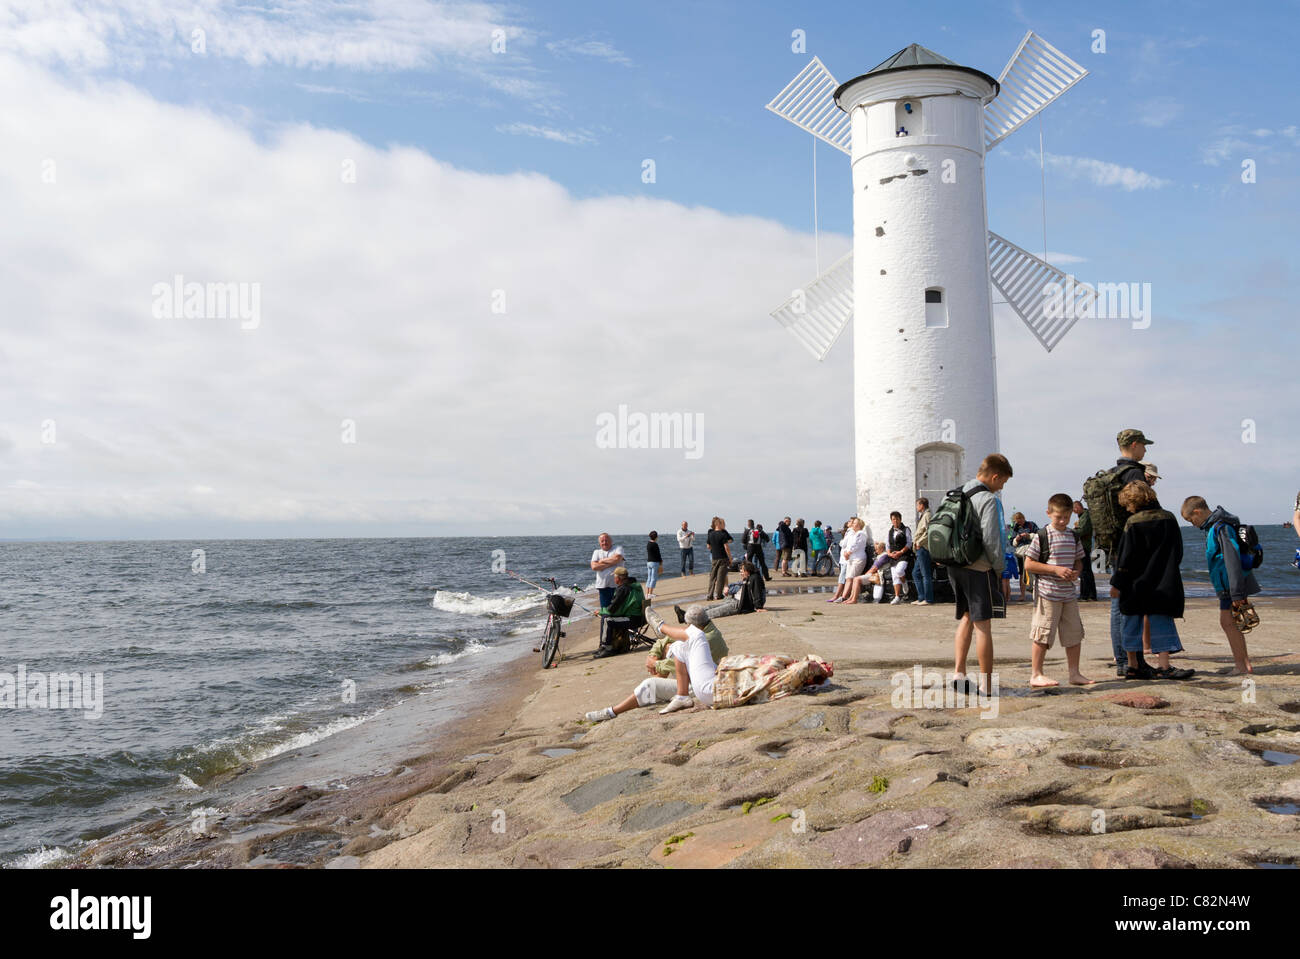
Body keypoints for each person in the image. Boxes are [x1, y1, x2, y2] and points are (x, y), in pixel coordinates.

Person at [1110, 481, 1191, 680]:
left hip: (1135, 582)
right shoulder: (1169, 518)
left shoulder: (1133, 522)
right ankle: (1164, 666)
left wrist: (1117, 582)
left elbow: (1126, 557)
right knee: (1162, 620)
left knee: (1131, 620)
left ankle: (1132, 665)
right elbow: (1178, 551)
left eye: (1127, 504)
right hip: (1164, 579)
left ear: (1132, 502)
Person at [584, 605, 720, 721]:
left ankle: (611, 712)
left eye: (687, 626)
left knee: (650, 684)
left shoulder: (707, 638)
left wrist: (655, 664)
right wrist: (653, 655)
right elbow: (663, 642)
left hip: (698, 686)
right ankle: (678, 695)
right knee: (675, 646)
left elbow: (676, 665)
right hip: (698, 681)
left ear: (693, 625)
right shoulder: (703, 631)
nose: (686, 628)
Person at [950, 454, 1013, 696]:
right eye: (1003, 482)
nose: (1002, 487)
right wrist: (1000, 571)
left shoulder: (956, 492)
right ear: (995, 476)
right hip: (979, 568)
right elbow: (992, 538)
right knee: (983, 624)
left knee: (966, 617)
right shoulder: (989, 499)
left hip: (955, 565)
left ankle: (959, 672)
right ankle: (986, 684)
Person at [1181, 496, 1258, 675]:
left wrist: (1237, 592)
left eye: (1191, 519)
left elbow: (1232, 559)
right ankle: (1244, 663)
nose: (1192, 524)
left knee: (1228, 623)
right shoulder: (1214, 527)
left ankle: (1241, 665)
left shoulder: (1221, 528)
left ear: (1197, 512)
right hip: (1228, 585)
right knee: (1231, 622)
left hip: (1230, 587)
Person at [1023, 493, 1092, 687]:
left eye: (1066, 518)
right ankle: (1036, 674)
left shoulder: (1073, 535)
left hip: (1068, 593)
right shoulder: (1042, 536)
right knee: (1042, 634)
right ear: (1049, 513)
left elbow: (1079, 561)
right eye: (1058, 517)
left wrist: (1076, 572)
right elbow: (1029, 564)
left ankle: (1074, 673)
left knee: (1074, 634)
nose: (1062, 521)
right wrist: (1055, 569)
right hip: (1047, 593)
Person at [1105, 429, 1157, 678]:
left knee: (1117, 604)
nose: (1145, 450)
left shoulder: (1112, 473)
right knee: (1132, 605)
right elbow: (1146, 513)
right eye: (1143, 446)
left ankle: (1122, 660)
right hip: (1134, 545)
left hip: (1115, 545)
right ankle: (1134, 661)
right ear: (1134, 445)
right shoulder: (1134, 473)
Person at [594, 566, 646, 658]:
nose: (614, 578)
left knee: (607, 619)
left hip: (632, 619)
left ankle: (607, 648)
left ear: (618, 578)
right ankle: (604, 646)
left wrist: (600, 611)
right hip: (640, 618)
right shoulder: (634, 585)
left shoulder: (623, 589)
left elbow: (613, 610)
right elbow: (620, 608)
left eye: (614, 577)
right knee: (608, 617)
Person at [688, 561, 766, 620]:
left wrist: (758, 607)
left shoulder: (755, 578)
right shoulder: (749, 578)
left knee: (713, 612)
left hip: (738, 605)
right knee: (710, 607)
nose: (740, 573)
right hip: (733, 600)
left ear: (747, 571)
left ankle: (691, 618)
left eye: (742, 571)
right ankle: (687, 614)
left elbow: (757, 592)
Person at [827, 518, 869, 602]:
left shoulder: (861, 534)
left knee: (851, 578)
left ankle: (846, 597)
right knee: (849, 578)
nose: (853, 524)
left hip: (858, 558)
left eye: (855, 523)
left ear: (859, 525)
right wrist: (846, 553)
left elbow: (856, 545)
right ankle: (849, 597)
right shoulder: (853, 534)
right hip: (851, 559)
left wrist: (848, 553)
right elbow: (847, 545)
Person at [883, 510, 914, 605]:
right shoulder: (890, 531)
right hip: (893, 556)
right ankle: (897, 597)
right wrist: (889, 554)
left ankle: (904, 583)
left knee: (899, 571)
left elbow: (909, 543)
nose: (895, 521)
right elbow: (887, 545)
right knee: (895, 577)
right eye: (893, 519)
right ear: (891, 520)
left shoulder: (906, 529)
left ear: (900, 519)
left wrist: (900, 552)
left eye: (897, 519)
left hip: (903, 555)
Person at [1009, 512, 1040, 602]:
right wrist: (1017, 539)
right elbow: (1012, 542)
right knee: (1022, 573)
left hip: (1031, 551)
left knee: (1034, 572)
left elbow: (1039, 536)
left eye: (1020, 521)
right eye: (1017, 522)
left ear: (1023, 518)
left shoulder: (1031, 525)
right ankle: (1022, 595)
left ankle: (1035, 594)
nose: (1019, 523)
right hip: (1021, 553)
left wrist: (1029, 535)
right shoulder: (1014, 528)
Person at [589, 533, 625, 611]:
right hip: (603, 586)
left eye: (606, 540)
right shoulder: (596, 552)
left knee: (619, 610)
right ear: (599, 543)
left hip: (618, 586)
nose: (604, 542)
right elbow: (594, 567)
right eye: (602, 541)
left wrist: (601, 561)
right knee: (605, 611)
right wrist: (611, 563)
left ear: (611, 541)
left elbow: (617, 559)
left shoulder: (618, 548)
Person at [1072, 500, 1098, 601]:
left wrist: (1071, 531)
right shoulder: (1084, 516)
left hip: (1084, 546)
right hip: (1084, 546)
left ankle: (1085, 595)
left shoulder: (1085, 516)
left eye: (1074, 509)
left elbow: (1082, 531)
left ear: (1077, 507)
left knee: (1084, 571)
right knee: (1087, 571)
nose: (1074, 512)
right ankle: (1091, 595)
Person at [706, 517, 733, 601]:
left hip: (714, 558)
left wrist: (714, 548)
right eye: (721, 523)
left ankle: (709, 595)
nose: (723, 525)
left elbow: (708, 546)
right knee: (720, 577)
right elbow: (726, 547)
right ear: (718, 524)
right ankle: (718, 595)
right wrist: (730, 558)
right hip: (722, 558)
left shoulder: (710, 534)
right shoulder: (722, 534)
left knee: (712, 577)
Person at [913, 498, 934, 606]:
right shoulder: (923, 515)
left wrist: (919, 542)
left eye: (917, 505)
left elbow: (928, 531)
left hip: (923, 548)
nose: (916, 507)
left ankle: (928, 599)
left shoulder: (927, 515)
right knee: (915, 573)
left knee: (925, 574)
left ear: (922, 505)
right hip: (920, 548)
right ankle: (921, 597)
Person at [645, 531, 662, 602]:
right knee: (653, 578)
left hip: (649, 562)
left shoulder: (648, 544)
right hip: (654, 562)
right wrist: (661, 562)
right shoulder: (655, 544)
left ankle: (647, 593)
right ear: (656, 537)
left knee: (649, 578)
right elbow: (658, 554)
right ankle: (650, 593)